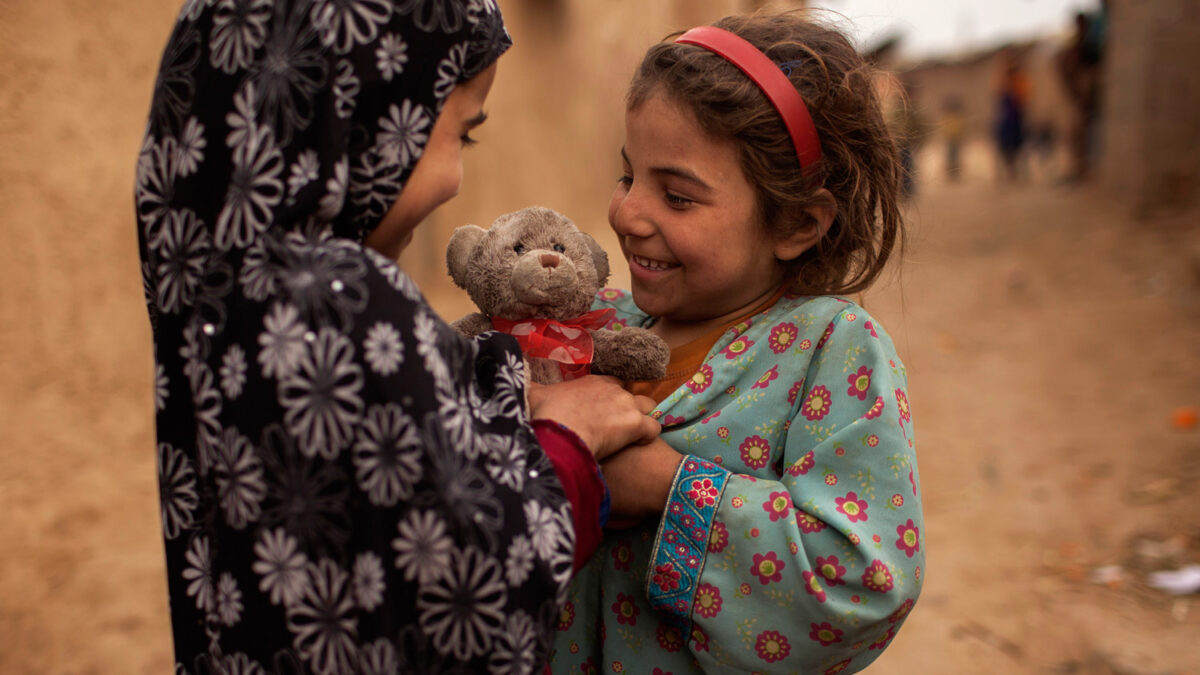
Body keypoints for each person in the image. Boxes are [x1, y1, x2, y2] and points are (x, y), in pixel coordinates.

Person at [135, 1, 659, 673]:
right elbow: (466, 597)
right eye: (461, 135)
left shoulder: (211, 280)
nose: (456, 180)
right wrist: (568, 445)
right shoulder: (346, 301)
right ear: (372, 116)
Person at [550, 13, 923, 674]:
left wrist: (670, 489)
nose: (627, 213)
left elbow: (863, 585)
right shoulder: (603, 325)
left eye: (677, 196)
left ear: (797, 222)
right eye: (627, 174)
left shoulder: (832, 352)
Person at [993, 49, 1031, 181]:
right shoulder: (1002, 80)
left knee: (1019, 145)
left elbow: (1024, 98)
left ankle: (1017, 171)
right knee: (1004, 146)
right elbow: (998, 95)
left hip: (1016, 118)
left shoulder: (1020, 80)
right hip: (1006, 118)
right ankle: (1011, 171)